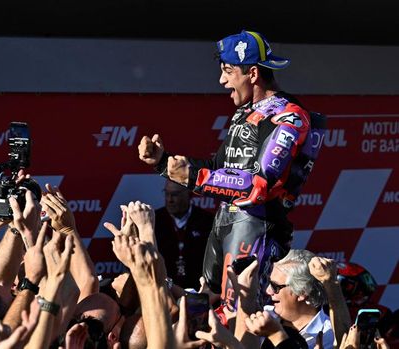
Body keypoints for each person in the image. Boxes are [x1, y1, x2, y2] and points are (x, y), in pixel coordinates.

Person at [138, 30, 326, 306]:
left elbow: (260, 185)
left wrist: (193, 177)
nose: (222, 80)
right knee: (209, 306)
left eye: (228, 71)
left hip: (257, 225)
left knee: (241, 314)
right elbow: (219, 167)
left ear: (252, 73)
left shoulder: (289, 116)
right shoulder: (244, 111)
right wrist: (163, 162)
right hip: (225, 220)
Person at [154, 179, 213, 290]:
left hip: (198, 290)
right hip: (164, 290)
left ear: (189, 194)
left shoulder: (207, 221)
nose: (169, 200)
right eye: (167, 194)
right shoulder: (155, 221)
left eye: (174, 195)